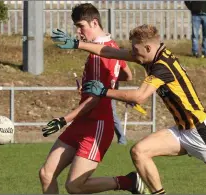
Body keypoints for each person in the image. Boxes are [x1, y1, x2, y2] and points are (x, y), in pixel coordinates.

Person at [54, 24, 206, 194]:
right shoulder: (150, 54)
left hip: (201, 131)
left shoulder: (162, 66)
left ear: (147, 47)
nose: (132, 53)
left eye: (135, 49)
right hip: (183, 131)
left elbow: (139, 96)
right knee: (140, 151)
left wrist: (105, 91)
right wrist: (77, 44)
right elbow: (111, 52)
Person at [39, 3, 148, 194]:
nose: (79, 32)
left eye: (81, 26)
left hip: (96, 124)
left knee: (74, 186)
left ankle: (128, 182)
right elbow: (127, 74)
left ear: (94, 22)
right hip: (83, 122)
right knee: (46, 173)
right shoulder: (112, 46)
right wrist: (96, 82)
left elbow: (94, 101)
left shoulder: (99, 53)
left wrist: (63, 120)